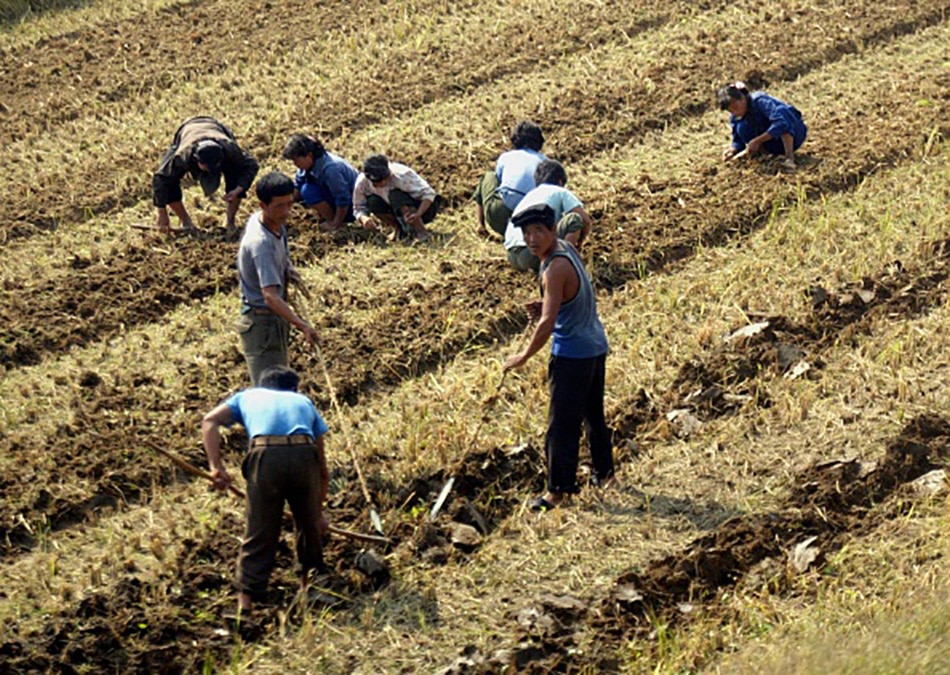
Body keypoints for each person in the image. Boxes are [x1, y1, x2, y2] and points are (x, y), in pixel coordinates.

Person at [503, 204, 612, 511]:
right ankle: (605, 474)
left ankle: (557, 491)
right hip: (594, 345)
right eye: (527, 233)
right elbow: (571, 296)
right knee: (593, 415)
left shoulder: (554, 268)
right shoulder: (564, 249)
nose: (532, 238)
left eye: (539, 230)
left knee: (561, 424)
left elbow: (548, 323)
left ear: (552, 230)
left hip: (572, 354)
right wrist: (548, 303)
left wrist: (523, 355)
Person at [201, 366, 330, 615]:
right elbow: (322, 466)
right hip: (304, 454)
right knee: (307, 526)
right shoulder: (304, 401)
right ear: (293, 388)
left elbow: (209, 421)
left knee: (259, 529)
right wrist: (318, 513)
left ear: (262, 386)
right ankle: (310, 588)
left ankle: (245, 604)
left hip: (266, 455)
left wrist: (216, 468)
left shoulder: (247, 396)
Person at [237, 171, 319, 386]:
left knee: (280, 382)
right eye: (279, 206)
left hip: (275, 320)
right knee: (270, 391)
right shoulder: (260, 244)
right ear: (263, 205)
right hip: (263, 323)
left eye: (289, 204)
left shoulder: (270, 222)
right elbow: (270, 297)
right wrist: (303, 326)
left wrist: (287, 269)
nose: (287, 212)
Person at [152, 116, 259, 233]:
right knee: (170, 182)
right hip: (188, 129)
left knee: (235, 172)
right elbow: (160, 178)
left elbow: (251, 166)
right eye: (207, 167)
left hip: (216, 127)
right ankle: (186, 221)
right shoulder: (182, 156)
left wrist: (238, 189)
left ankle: (230, 221)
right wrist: (161, 213)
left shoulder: (230, 149)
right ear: (197, 160)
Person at [504, 159, 592, 273]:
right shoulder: (560, 191)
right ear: (560, 182)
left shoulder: (529, 196)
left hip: (512, 257)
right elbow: (585, 220)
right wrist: (579, 244)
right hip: (532, 254)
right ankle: (567, 261)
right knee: (574, 219)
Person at [472, 120, 547, 237]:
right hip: (533, 223)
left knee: (488, 176)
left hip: (501, 218)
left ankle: (480, 226)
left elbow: (498, 181)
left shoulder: (506, 157)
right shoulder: (546, 162)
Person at [718, 82, 807, 169]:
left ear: (742, 98)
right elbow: (738, 141)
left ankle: (789, 158)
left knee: (782, 112)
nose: (734, 112)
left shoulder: (760, 101)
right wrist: (732, 150)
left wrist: (757, 141)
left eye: (735, 107)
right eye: (731, 111)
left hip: (795, 134)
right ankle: (767, 155)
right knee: (741, 127)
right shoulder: (735, 118)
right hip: (773, 143)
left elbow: (781, 124)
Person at [353, 153, 441, 242]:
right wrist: (364, 219)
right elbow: (358, 207)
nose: (383, 183)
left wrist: (418, 213)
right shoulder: (362, 183)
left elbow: (428, 193)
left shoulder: (401, 175)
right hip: (393, 211)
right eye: (378, 182)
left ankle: (420, 230)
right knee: (372, 201)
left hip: (421, 209)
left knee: (395, 195)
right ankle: (399, 229)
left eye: (385, 179)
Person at [282, 134, 359, 232]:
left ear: (309, 155)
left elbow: (343, 198)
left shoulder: (331, 170)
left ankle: (333, 221)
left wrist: (335, 223)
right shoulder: (306, 166)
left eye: (296, 160)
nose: (295, 164)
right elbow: (297, 188)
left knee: (308, 191)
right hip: (334, 195)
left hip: (352, 205)